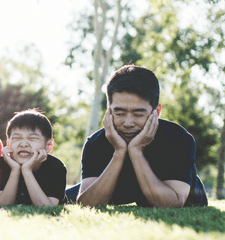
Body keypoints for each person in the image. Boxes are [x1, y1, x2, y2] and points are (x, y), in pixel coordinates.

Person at [66, 65, 208, 207]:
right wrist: (119, 152)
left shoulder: (179, 140)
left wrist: (136, 151)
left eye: (138, 114)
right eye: (120, 113)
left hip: (178, 192)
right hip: (120, 188)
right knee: (61, 197)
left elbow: (173, 204)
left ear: (157, 112)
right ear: (109, 111)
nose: (128, 123)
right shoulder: (94, 144)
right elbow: (86, 204)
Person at [0, 109, 67, 206]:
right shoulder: (5, 162)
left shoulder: (56, 167)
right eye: (17, 138)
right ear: (8, 144)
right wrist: (15, 170)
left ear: (48, 146)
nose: (23, 144)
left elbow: (47, 207)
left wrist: (27, 170)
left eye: (32, 139)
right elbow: (2, 205)